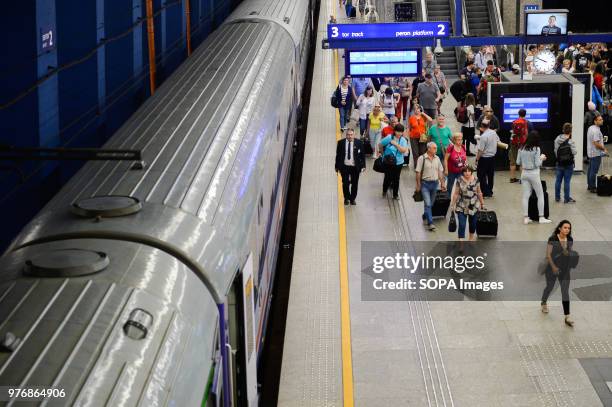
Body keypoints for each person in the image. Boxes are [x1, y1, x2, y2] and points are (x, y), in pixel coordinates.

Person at [541, 220, 575, 327]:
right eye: (565, 227)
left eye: (569, 228)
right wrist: (554, 267)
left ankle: (567, 316)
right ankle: (544, 302)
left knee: (565, 291)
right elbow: (548, 255)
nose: (567, 230)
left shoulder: (569, 239)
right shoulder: (553, 239)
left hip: (564, 270)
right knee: (550, 287)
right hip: (551, 268)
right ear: (560, 228)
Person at [516, 131, 552, 224]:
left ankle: (526, 218)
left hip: (524, 173)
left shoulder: (521, 148)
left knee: (525, 196)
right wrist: (542, 158)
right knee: (540, 195)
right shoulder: (536, 149)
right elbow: (537, 164)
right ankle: (541, 217)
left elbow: (518, 162)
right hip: (534, 174)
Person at [415, 142, 447, 231]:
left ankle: (425, 214)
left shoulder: (437, 159)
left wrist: (442, 183)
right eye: (434, 148)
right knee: (428, 204)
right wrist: (418, 185)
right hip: (425, 184)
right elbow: (418, 172)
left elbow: (440, 172)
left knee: (431, 203)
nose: (436, 150)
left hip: (435, 184)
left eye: (436, 148)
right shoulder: (422, 158)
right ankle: (430, 223)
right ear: (429, 149)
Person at [450, 165, 484, 240]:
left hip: (474, 205)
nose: (467, 173)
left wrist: (482, 203)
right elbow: (456, 193)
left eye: (469, 171)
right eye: (465, 171)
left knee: (473, 224)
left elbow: (479, 192)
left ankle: (470, 239)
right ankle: (461, 243)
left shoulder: (476, 180)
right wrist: (452, 204)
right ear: (463, 172)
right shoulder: (459, 180)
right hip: (462, 205)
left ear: (471, 172)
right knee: (462, 225)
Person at [335, 128, 366, 205]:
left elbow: (362, 155)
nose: (349, 136)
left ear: (354, 135)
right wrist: (336, 166)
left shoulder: (359, 143)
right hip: (344, 166)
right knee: (345, 183)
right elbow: (338, 155)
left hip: (355, 167)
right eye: (348, 135)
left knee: (355, 183)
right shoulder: (341, 143)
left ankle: (352, 199)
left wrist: (363, 166)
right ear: (346, 135)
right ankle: (346, 198)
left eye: (351, 135)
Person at [379, 124, 410, 199]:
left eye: (401, 132)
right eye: (397, 131)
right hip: (388, 162)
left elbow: (403, 150)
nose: (399, 133)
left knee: (396, 179)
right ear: (394, 131)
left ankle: (395, 194)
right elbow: (380, 144)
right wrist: (383, 154)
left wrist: (396, 144)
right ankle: (384, 191)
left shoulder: (403, 140)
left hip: (398, 162)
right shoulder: (390, 137)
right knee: (387, 177)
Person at [554, 123, 578, 203]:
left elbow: (555, 151)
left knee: (558, 180)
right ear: (571, 131)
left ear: (563, 130)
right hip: (568, 164)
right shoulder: (571, 142)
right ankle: (566, 198)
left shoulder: (557, 139)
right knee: (567, 181)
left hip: (559, 162)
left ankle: (557, 197)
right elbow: (574, 152)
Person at [475, 120, 499, 198]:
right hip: (492, 157)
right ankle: (490, 191)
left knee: (481, 176)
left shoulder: (484, 136)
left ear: (481, 127)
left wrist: (477, 159)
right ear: (489, 125)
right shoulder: (493, 133)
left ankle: (485, 193)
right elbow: (498, 140)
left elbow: (481, 150)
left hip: (484, 158)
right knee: (490, 175)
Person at [509, 109, 533, 183]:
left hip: (514, 144)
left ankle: (512, 178)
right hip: (523, 144)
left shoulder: (514, 122)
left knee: (512, 161)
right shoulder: (528, 123)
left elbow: (512, 132)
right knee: (522, 162)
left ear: (518, 114)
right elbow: (531, 133)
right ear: (525, 114)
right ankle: (522, 179)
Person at [586, 115, 609, 192]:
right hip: (596, 153)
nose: (601, 121)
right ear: (595, 121)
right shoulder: (595, 131)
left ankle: (589, 185)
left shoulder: (591, 128)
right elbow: (596, 143)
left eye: (601, 119)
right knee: (594, 171)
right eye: (599, 120)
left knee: (590, 170)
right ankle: (592, 187)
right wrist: (604, 149)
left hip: (591, 152)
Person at [445, 132, 467, 197]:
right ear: (454, 140)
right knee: (449, 187)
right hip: (451, 172)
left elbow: (465, 158)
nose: (460, 141)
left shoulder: (463, 147)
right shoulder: (450, 148)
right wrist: (446, 169)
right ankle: (447, 200)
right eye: (458, 140)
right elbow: (445, 159)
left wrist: (466, 165)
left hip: (461, 171)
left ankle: (460, 201)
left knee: (462, 187)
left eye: (461, 139)